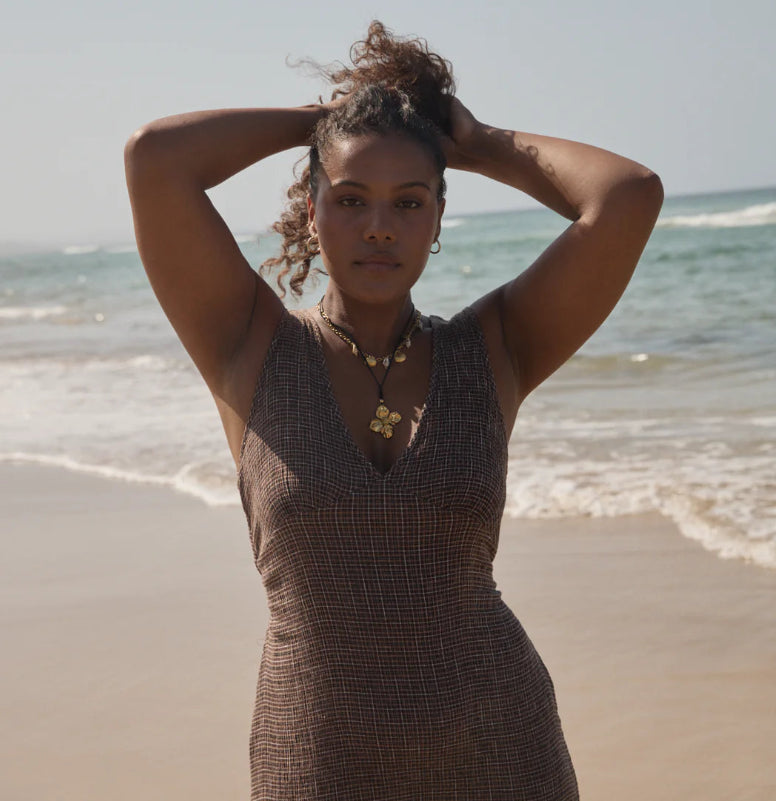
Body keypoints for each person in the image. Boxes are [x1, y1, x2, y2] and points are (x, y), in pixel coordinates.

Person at [124, 21, 662, 801]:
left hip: (503, 752)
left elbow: (627, 195)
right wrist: (331, 121)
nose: (380, 225)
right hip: (317, 758)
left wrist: (471, 143)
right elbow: (155, 160)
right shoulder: (249, 346)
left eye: (410, 202)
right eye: (350, 198)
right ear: (313, 210)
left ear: (439, 220)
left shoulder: (496, 350)